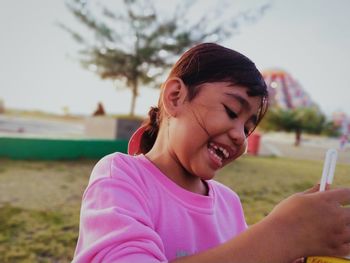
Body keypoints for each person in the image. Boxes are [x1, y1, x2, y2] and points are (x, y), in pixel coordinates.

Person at [72, 43, 350, 263]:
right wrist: (281, 234)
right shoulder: (121, 176)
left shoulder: (229, 203)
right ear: (175, 96)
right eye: (231, 111)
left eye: (248, 128)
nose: (240, 136)